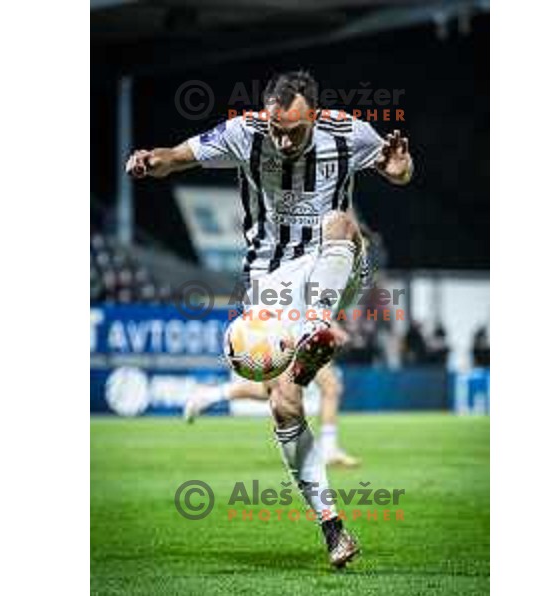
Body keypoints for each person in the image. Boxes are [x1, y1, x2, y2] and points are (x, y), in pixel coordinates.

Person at [126, 70, 413, 568]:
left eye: (295, 131)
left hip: (336, 260)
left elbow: (398, 171)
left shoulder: (349, 134)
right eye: (276, 128)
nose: (282, 139)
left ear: (315, 117)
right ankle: (333, 529)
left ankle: (316, 326)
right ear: (265, 114)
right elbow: (177, 157)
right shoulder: (245, 133)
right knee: (283, 403)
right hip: (270, 278)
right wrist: (150, 161)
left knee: (341, 220)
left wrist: (399, 170)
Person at [184, 359, 361, 468]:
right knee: (328, 386)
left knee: (328, 386)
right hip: (291, 335)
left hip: (298, 334)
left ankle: (208, 396)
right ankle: (208, 395)